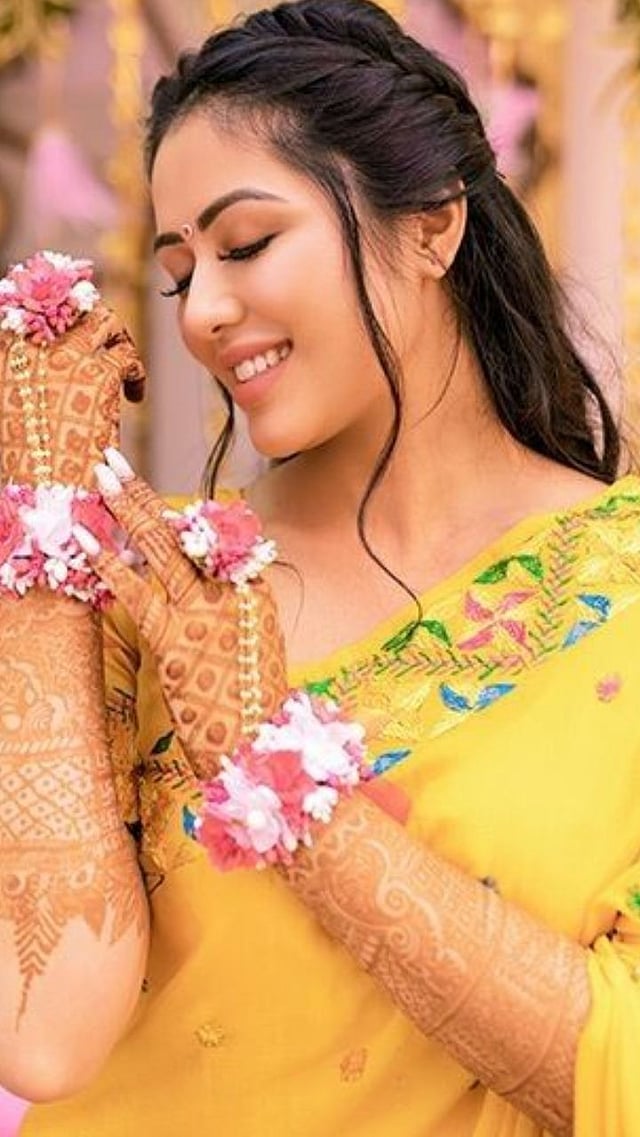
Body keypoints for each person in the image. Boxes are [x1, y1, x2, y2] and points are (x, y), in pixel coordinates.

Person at [1, 1, 639, 1133]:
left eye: (246, 244)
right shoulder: (150, 584)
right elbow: (45, 1035)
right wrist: (45, 526)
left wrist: (270, 764)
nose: (204, 311)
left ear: (432, 228)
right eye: (178, 273)